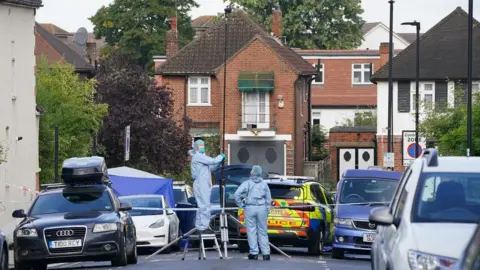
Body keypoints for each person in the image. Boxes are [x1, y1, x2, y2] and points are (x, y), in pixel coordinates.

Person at [234, 165, 272, 261]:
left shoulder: (247, 183)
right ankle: (266, 253)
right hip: (262, 208)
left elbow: (236, 194)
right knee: (263, 232)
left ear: (252, 173)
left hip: (250, 208)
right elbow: (268, 199)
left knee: (251, 231)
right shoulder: (264, 184)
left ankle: (254, 253)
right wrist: (267, 210)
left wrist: (241, 205)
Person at [189, 139, 225, 234]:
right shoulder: (198, 156)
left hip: (203, 184)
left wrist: (218, 162)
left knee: (202, 206)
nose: (203, 147)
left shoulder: (201, 158)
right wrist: (220, 157)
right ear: (197, 147)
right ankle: (203, 227)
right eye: (201, 145)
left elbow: (211, 168)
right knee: (205, 205)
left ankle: (200, 226)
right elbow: (212, 161)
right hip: (201, 184)